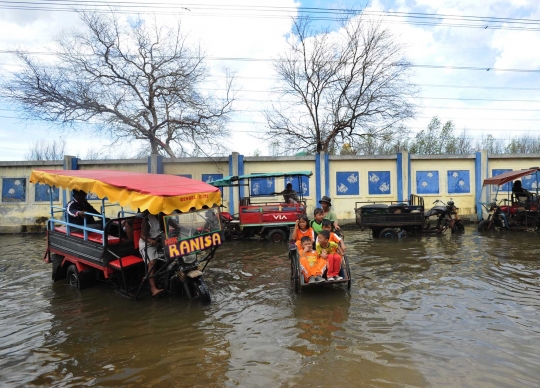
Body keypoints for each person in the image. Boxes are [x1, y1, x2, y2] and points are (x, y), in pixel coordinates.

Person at [139, 212, 164, 297]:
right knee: (152, 263)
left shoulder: (164, 216)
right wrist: (150, 241)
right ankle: (153, 289)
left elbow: (175, 227)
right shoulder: (148, 219)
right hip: (148, 244)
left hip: (161, 242)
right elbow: (142, 235)